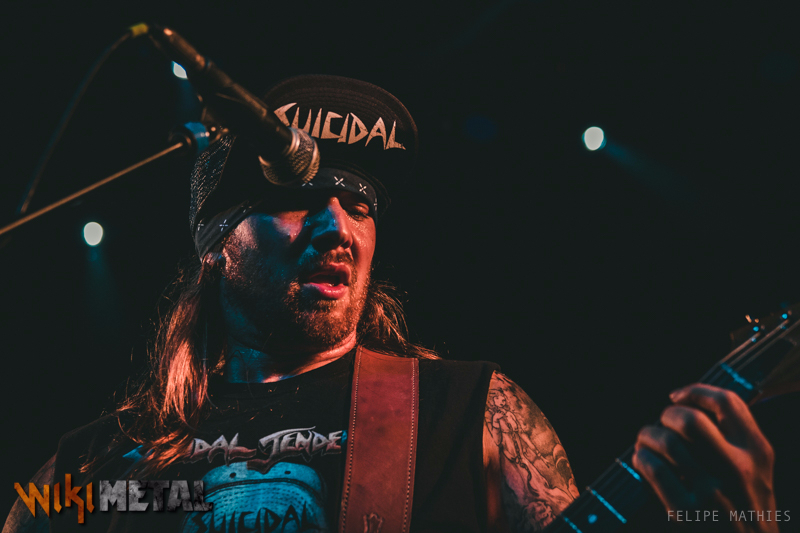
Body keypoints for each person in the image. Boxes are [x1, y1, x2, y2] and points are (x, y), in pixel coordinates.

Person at [4, 75, 779, 533]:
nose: (337, 226)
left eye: (360, 204)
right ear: (217, 242)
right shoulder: (96, 462)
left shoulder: (468, 412)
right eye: (300, 199)